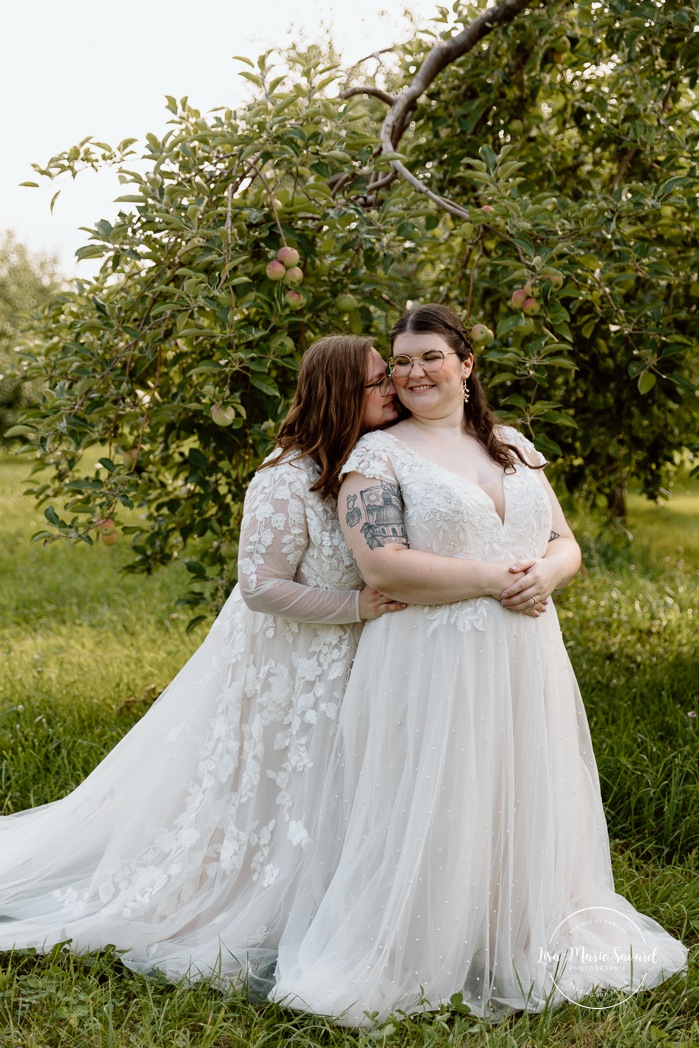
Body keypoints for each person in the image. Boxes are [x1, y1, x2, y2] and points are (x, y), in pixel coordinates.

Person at [272, 304, 688, 1025]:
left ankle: (514, 933)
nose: (412, 373)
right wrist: (499, 580)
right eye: (400, 362)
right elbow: (384, 567)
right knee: (440, 787)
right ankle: (422, 943)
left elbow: (564, 540)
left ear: (465, 365)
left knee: (518, 781)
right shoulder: (375, 457)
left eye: (429, 356)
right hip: (430, 655)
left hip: (525, 651)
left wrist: (548, 575)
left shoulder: (511, 444)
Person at [0, 334, 406, 991]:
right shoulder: (284, 478)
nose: (393, 387)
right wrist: (355, 606)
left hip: (350, 667)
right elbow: (260, 586)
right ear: (339, 394)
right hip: (295, 668)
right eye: (379, 380)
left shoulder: (369, 463)